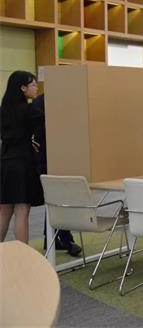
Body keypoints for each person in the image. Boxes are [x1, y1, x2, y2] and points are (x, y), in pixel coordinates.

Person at [32, 94, 82, 257]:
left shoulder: (43, 101)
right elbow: (42, 132)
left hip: (52, 158)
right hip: (48, 159)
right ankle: (66, 240)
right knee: (57, 199)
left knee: (54, 200)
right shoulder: (42, 103)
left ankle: (51, 239)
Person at [0, 71, 44, 243]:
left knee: (5, 211)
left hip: (5, 162)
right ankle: (22, 254)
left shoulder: (3, 110)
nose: (36, 87)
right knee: (22, 211)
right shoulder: (29, 110)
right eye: (33, 84)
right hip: (22, 164)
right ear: (23, 88)